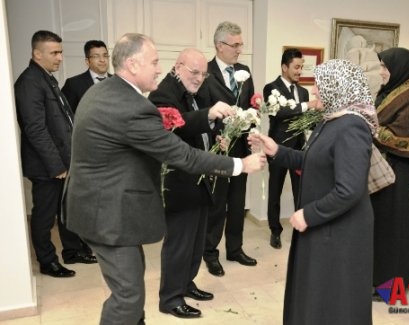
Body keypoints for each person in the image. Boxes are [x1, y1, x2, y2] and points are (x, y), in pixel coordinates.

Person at [64, 33, 265, 325]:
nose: (160, 68)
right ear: (133, 65)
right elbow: (184, 156)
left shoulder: (107, 91)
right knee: (128, 297)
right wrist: (240, 164)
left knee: (131, 289)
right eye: (155, 62)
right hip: (107, 214)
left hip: (102, 206)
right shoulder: (132, 107)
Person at [250, 59, 376, 325]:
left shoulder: (352, 126)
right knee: (316, 294)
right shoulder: (332, 120)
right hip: (326, 226)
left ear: (338, 87)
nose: (315, 90)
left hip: (338, 232)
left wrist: (309, 214)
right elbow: (313, 161)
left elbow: (349, 189)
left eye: (320, 83)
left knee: (333, 299)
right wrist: (278, 151)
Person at [147, 48, 235, 318]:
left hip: (198, 178)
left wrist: (218, 136)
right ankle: (170, 298)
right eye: (193, 72)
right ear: (178, 67)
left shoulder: (196, 89)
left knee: (196, 240)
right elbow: (179, 125)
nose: (199, 78)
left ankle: (186, 283)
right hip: (178, 181)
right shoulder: (163, 93)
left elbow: (205, 122)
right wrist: (209, 115)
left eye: (203, 74)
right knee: (180, 243)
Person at [14, 30, 97, 279]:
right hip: (47, 167)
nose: (60, 57)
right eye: (54, 53)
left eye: (60, 52)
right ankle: (47, 261)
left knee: (67, 210)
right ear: (36, 53)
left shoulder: (46, 78)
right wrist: (56, 166)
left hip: (63, 162)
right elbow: (35, 129)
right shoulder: (29, 82)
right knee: (44, 215)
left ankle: (71, 251)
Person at [370, 47, 409, 298]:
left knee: (396, 231)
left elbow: (407, 140)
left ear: (399, 68)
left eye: (385, 67)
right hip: (385, 171)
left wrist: (372, 129)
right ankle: (379, 279)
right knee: (382, 230)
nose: (381, 72)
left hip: (402, 174)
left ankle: (391, 286)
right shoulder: (388, 91)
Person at [203, 21, 256, 277]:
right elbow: (201, 112)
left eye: (240, 44)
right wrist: (217, 135)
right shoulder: (205, 73)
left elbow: (251, 106)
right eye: (235, 45)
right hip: (218, 150)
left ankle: (235, 249)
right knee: (217, 203)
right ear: (219, 46)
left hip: (242, 151)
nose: (239, 50)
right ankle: (210, 253)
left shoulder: (245, 72)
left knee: (237, 203)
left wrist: (252, 124)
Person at [264, 48, 317, 249]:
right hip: (277, 150)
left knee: (301, 192)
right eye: (296, 67)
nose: (299, 71)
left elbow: (305, 121)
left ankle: (300, 229)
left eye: (301, 67)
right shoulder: (271, 88)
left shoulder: (303, 91)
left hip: (298, 152)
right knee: (274, 191)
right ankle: (275, 231)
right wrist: (307, 106)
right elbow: (278, 113)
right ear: (284, 67)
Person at [61, 40, 112, 113]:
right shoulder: (73, 84)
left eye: (105, 55)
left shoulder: (119, 82)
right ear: (87, 61)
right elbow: (66, 115)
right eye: (96, 56)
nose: (102, 60)